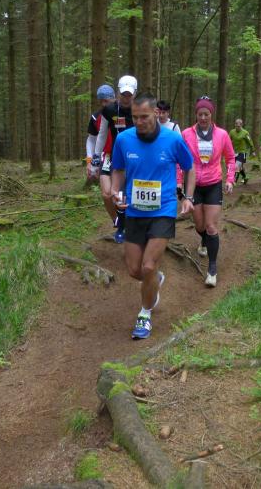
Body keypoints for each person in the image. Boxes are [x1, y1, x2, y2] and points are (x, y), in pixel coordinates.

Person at [110, 93, 195, 339]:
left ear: (156, 113)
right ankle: (155, 279)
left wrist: (188, 197)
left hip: (163, 210)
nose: (139, 122)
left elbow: (189, 168)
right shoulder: (124, 140)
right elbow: (118, 169)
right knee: (134, 270)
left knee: (148, 265)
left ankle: (144, 315)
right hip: (134, 211)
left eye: (144, 117)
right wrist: (115, 191)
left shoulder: (172, 139)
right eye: (135, 117)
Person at [180, 97, 236, 287]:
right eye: (200, 114)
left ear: (211, 115)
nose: (203, 118)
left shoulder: (222, 134)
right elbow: (179, 160)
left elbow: (230, 158)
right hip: (193, 185)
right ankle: (203, 240)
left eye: (206, 114)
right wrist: (178, 182)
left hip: (213, 183)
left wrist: (230, 180)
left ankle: (212, 269)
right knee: (200, 224)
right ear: (196, 115)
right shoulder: (186, 134)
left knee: (211, 226)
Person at [94, 75, 138, 243]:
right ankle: (119, 223)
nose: (126, 97)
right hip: (113, 156)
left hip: (134, 158)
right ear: (118, 92)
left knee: (128, 193)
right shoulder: (110, 109)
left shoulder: (140, 109)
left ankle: (130, 227)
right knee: (110, 194)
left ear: (135, 93)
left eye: (129, 94)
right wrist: (95, 158)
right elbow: (101, 135)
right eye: (123, 94)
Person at [86, 84, 117, 220]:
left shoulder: (123, 112)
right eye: (101, 101)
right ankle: (117, 222)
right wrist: (90, 161)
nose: (104, 104)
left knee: (122, 193)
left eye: (107, 100)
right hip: (107, 156)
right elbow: (91, 140)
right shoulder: (96, 117)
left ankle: (128, 224)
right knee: (106, 194)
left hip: (125, 156)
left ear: (114, 98)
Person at [229, 118, 255, 185]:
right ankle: (245, 177)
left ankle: (234, 181)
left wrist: (253, 150)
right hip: (234, 152)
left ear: (241, 125)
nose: (237, 127)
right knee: (239, 168)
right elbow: (228, 141)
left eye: (239, 126)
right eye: (236, 125)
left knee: (236, 166)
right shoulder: (232, 132)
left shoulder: (245, 133)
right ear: (234, 124)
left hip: (242, 152)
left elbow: (250, 141)